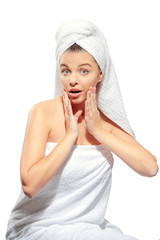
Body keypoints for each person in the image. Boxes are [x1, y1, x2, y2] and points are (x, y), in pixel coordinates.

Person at [6, 19, 158, 240]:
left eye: (83, 71)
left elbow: (150, 167)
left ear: (100, 74)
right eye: (66, 71)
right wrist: (69, 137)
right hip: (35, 227)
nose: (73, 80)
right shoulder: (43, 113)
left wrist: (99, 131)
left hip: (88, 229)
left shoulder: (106, 123)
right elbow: (30, 185)